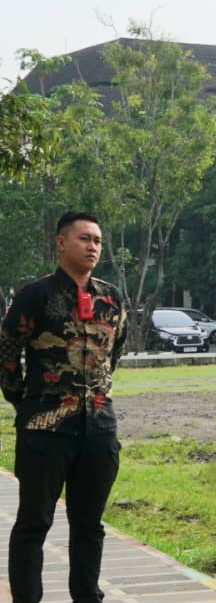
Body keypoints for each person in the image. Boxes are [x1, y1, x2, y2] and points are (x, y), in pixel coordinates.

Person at [0, 212, 127, 603]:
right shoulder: (35, 296)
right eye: (84, 238)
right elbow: (7, 354)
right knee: (34, 525)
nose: (93, 247)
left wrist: (97, 396)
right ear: (61, 243)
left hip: (99, 429)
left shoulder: (112, 297)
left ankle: (87, 596)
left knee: (89, 525)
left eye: (98, 241)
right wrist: (28, 402)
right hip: (45, 430)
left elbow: (114, 352)